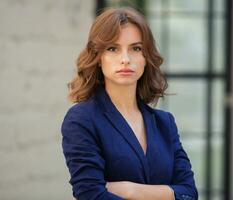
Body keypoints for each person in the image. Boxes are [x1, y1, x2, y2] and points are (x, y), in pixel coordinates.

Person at [61, 7, 198, 200]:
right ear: (98, 58)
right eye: (113, 49)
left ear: (146, 57)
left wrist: (129, 190)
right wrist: (166, 194)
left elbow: (189, 194)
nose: (125, 59)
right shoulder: (82, 119)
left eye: (136, 48)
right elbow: (90, 195)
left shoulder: (165, 123)